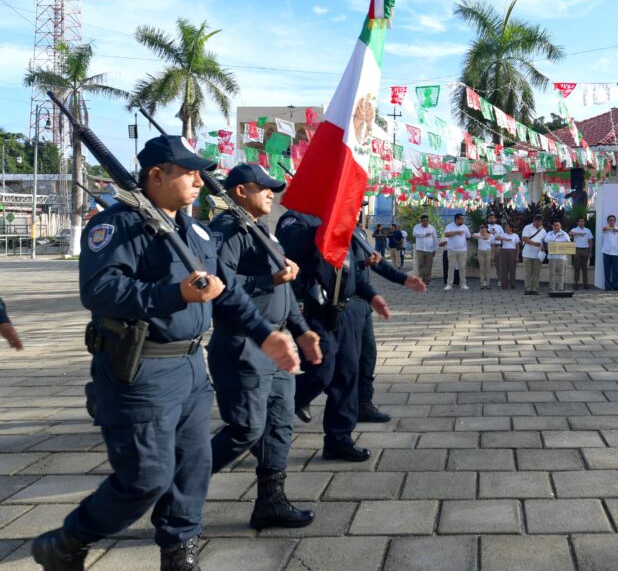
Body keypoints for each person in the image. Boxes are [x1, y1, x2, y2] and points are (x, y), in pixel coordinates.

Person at [32, 136, 299, 571]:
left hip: (192, 366)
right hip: (143, 370)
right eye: (189, 171)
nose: (200, 179)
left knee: (192, 469)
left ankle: (180, 550)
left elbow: (225, 292)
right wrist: (174, 293)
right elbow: (99, 290)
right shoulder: (117, 226)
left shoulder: (192, 229)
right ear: (156, 176)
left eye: (200, 171)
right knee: (145, 479)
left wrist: (265, 332)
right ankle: (66, 541)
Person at [207, 163, 322, 531]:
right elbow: (217, 285)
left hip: (276, 341)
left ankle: (271, 502)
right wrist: (268, 278)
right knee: (245, 429)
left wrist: (301, 330)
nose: (272, 193)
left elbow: (284, 292)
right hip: (243, 343)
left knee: (278, 426)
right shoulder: (227, 230)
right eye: (264, 187)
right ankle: (181, 480)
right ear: (240, 191)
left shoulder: (262, 232)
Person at [276, 211, 386, 463]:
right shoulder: (296, 219)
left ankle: (339, 439)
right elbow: (291, 247)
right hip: (315, 306)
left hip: (344, 307)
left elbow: (346, 263)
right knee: (320, 373)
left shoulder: (340, 219)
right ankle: (277, 413)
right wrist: (326, 225)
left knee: (348, 373)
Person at [352, 223, 427, 423]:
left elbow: (376, 261)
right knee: (328, 369)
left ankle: (363, 404)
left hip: (362, 304)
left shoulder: (356, 231)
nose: (358, 207)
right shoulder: (332, 228)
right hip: (342, 306)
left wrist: (403, 279)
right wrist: (362, 265)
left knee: (368, 356)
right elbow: (332, 268)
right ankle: (294, 398)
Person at [443, 214, 472, 291]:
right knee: (451, 267)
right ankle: (449, 284)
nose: (463, 221)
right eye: (461, 219)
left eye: (463, 219)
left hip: (463, 250)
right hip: (452, 249)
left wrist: (462, 243)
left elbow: (468, 237)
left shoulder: (465, 227)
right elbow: (446, 234)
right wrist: (456, 232)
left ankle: (463, 284)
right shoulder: (449, 226)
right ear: (456, 219)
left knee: (462, 267)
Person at [544, 221, 572, 292]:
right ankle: (552, 288)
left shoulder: (564, 234)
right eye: (555, 225)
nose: (556, 227)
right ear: (552, 226)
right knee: (552, 274)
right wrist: (555, 237)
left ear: (560, 226)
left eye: (558, 225)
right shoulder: (549, 233)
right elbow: (546, 240)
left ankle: (560, 288)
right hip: (552, 257)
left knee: (561, 274)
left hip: (561, 257)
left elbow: (568, 243)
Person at [521, 215, 546, 295]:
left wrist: (543, 247)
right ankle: (528, 288)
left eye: (540, 221)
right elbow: (524, 239)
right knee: (528, 273)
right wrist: (534, 244)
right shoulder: (527, 227)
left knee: (536, 273)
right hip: (527, 254)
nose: (539, 222)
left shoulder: (543, 231)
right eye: (537, 221)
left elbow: (544, 242)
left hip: (538, 255)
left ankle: (535, 288)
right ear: (533, 220)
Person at [412, 215, 438, 285]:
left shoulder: (432, 228)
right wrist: (425, 234)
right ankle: (421, 280)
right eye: (424, 221)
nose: (425, 222)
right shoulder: (417, 227)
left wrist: (435, 249)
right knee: (420, 265)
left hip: (429, 249)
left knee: (428, 266)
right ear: (421, 221)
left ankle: (427, 280)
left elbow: (435, 239)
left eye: (427, 221)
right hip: (420, 249)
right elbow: (415, 234)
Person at [569, 217, 594, 290]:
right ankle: (576, 283)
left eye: (583, 221)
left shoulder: (587, 230)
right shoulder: (575, 229)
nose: (582, 223)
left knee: (585, 268)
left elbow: (590, 241)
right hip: (577, 250)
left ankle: (585, 283)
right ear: (577, 223)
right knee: (576, 268)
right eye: (580, 221)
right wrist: (578, 233)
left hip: (585, 250)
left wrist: (590, 251)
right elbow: (569, 233)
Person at [600, 215, 618, 291]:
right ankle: (608, 286)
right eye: (610, 220)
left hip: (616, 252)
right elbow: (604, 228)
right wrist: (612, 229)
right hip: (606, 252)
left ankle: (616, 286)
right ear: (608, 221)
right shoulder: (605, 228)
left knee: (616, 270)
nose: (611, 221)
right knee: (607, 270)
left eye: (613, 220)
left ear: (615, 221)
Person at [498, 223, 520, 289]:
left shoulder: (515, 235)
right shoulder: (503, 234)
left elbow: (517, 246)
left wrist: (517, 256)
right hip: (504, 251)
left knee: (512, 269)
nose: (506, 228)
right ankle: (504, 285)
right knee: (504, 269)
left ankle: (512, 285)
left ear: (511, 228)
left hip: (512, 252)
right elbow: (496, 238)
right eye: (505, 227)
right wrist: (505, 238)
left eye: (507, 227)